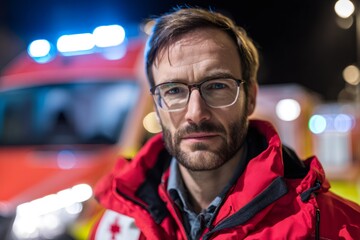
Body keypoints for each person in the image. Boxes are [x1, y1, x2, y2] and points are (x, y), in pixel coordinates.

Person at [90, 6, 360, 240]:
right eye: (173, 90)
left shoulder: (337, 227)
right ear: (156, 104)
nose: (195, 113)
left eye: (217, 86)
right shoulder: (116, 227)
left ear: (250, 97)